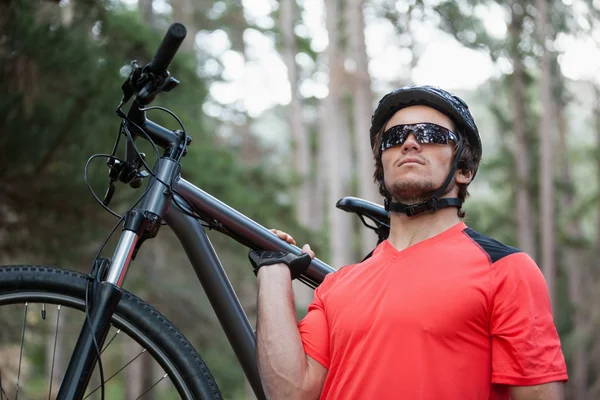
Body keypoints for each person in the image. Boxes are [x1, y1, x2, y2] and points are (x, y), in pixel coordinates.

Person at [249, 85, 568, 400]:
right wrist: (273, 274)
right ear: (381, 167)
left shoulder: (505, 270)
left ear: (464, 170)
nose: (410, 143)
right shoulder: (338, 285)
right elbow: (289, 393)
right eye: (394, 137)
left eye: (430, 134)